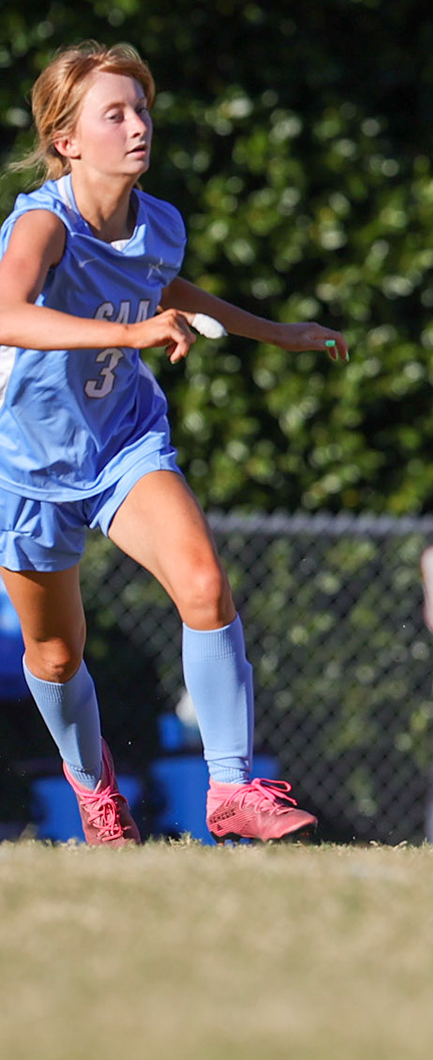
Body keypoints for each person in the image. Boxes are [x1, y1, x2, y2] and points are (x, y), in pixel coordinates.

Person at [0, 42, 349, 844]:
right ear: (67, 141)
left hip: (123, 441)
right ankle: (94, 793)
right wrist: (126, 334)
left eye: (142, 109)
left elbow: (160, 285)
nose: (137, 126)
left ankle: (232, 788)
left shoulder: (160, 222)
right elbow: (6, 312)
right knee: (54, 656)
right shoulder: (41, 224)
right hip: (25, 463)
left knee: (203, 584)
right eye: (113, 114)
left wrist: (276, 332)